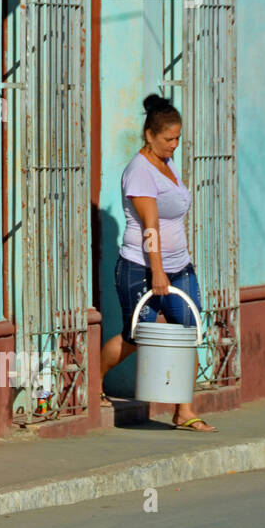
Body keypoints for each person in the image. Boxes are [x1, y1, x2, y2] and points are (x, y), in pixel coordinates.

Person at [100, 93, 217, 432]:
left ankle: (184, 410)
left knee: (188, 332)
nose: (174, 145)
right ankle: (92, 382)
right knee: (137, 336)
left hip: (180, 266)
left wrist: (176, 263)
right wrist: (158, 271)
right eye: (169, 139)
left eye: (178, 138)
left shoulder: (167, 164)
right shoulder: (139, 172)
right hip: (142, 266)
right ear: (149, 135)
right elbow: (150, 227)